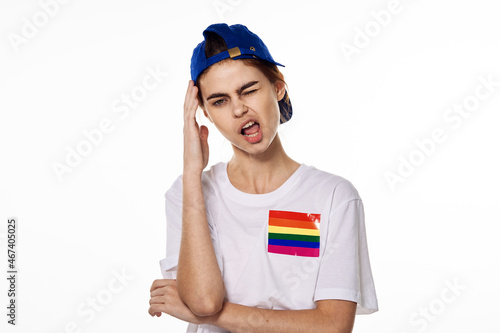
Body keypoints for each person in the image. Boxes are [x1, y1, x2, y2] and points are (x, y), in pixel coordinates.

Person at [148, 23, 378, 333]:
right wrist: (192, 174)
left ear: (278, 87)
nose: (239, 109)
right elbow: (204, 300)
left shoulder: (334, 197)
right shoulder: (186, 193)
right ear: (203, 112)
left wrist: (207, 316)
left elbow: (332, 327)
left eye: (249, 90)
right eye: (219, 101)